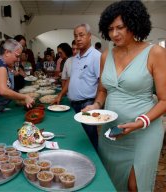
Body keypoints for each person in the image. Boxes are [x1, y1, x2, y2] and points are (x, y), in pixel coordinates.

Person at [83, 1, 166, 191]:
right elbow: (103, 90)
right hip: (113, 130)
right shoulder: (106, 55)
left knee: (134, 185)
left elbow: (165, 100)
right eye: (110, 29)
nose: (114, 34)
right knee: (112, 181)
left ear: (134, 24)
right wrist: (96, 106)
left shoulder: (155, 53)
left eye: (120, 27)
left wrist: (140, 122)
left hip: (143, 131)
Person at [52, 24, 101, 150]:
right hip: (72, 103)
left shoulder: (96, 56)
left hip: (87, 104)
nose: (78, 38)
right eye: (75, 36)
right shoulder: (75, 58)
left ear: (89, 36)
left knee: (89, 137)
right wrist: (60, 94)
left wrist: (97, 104)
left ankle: (96, 161)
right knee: (77, 137)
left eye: (81, 35)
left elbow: (101, 82)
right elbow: (70, 79)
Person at [0, 39, 34, 120]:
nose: (18, 60)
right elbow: (3, 91)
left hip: (1, 109)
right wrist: (24, 97)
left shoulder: (1, 63)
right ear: (7, 52)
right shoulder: (0, 64)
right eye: (17, 56)